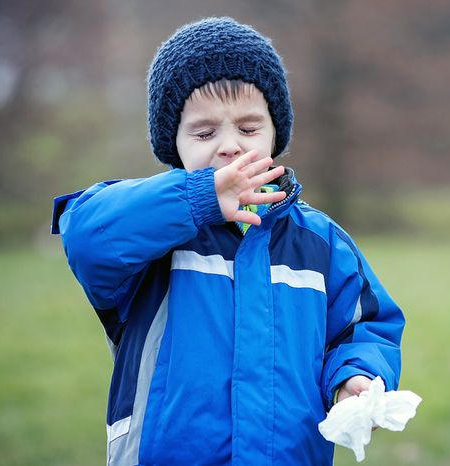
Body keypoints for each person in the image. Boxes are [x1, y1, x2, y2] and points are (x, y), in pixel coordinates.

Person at [51, 17, 405, 466]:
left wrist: (355, 377)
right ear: (173, 144)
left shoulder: (321, 243)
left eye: (249, 128)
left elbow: (364, 328)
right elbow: (86, 236)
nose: (229, 146)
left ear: (275, 133)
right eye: (204, 133)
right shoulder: (151, 240)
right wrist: (199, 200)